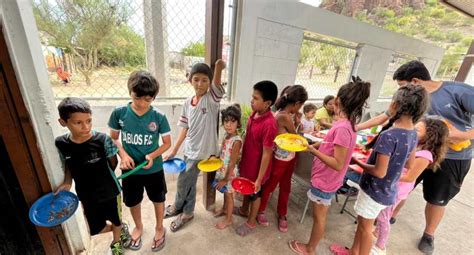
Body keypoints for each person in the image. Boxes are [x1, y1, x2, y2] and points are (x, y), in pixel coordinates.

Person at [358, 60, 474, 253]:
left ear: (415, 80)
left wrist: (458, 135)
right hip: (416, 150)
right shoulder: (410, 100)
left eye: (402, 86)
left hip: (453, 156)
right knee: (404, 185)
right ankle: (388, 216)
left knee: (437, 198)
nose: (401, 92)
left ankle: (429, 234)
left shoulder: (458, 91)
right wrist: (356, 128)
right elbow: (385, 116)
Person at [330, 84, 429, 255]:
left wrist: (356, 162)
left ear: (395, 106)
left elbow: (379, 172)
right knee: (363, 225)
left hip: (374, 190)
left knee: (365, 230)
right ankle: (353, 251)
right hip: (387, 191)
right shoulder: (412, 133)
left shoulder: (388, 135)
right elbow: (409, 165)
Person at [288, 76, 371, 254]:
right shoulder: (345, 124)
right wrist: (313, 146)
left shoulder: (342, 128)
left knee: (319, 217)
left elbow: (338, 163)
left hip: (326, 180)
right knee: (320, 215)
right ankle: (311, 246)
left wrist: (313, 151)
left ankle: (310, 248)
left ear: (339, 101)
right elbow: (329, 143)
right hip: (325, 178)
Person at [55, 97, 131, 255]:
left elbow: (112, 163)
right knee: (96, 228)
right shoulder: (61, 143)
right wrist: (68, 182)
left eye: (89, 121)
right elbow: (69, 165)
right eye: (78, 123)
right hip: (86, 194)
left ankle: (116, 243)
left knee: (115, 219)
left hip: (110, 191)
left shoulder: (102, 140)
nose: (86, 127)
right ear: (63, 122)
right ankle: (122, 228)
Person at [108, 71, 171, 252]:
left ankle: (160, 227)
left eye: (148, 100)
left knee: (158, 199)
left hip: (154, 169)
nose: (142, 104)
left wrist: (152, 156)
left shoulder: (159, 117)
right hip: (131, 170)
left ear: (153, 98)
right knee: (133, 201)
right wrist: (124, 155)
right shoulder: (119, 113)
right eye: (138, 98)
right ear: (130, 92)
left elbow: (167, 143)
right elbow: (113, 138)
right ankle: (139, 226)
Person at [163, 60, 226, 232]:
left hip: (202, 152)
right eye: (196, 79)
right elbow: (184, 128)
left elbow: (217, 85)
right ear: (190, 80)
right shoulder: (187, 102)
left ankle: (181, 208)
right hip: (189, 149)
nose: (200, 83)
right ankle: (185, 210)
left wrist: (218, 68)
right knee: (188, 181)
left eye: (205, 80)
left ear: (209, 82)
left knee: (184, 181)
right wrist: (174, 150)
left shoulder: (211, 99)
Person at [371, 117, 449, 255]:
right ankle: (377, 232)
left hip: (396, 189)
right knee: (382, 214)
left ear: (430, 135)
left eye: (417, 130)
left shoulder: (425, 155)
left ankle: (380, 246)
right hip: (392, 185)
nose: (413, 131)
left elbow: (409, 177)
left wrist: (387, 172)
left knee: (384, 217)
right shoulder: (415, 146)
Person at [257, 85, 308, 232]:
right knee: (271, 186)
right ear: (297, 103)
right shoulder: (284, 116)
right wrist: (298, 125)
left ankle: (282, 214)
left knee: (286, 186)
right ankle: (261, 211)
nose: (300, 109)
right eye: (301, 105)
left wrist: (296, 123)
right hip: (280, 158)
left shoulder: (281, 113)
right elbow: (297, 138)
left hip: (288, 157)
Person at [233, 80, 278, 237]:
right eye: (252, 97)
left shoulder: (270, 124)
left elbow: (267, 153)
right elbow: (249, 137)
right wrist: (240, 155)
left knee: (255, 194)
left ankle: (251, 222)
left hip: (258, 169)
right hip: (248, 163)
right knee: (246, 189)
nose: (251, 100)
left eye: (256, 98)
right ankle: (244, 210)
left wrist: (259, 179)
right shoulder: (254, 114)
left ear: (267, 103)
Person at [213, 104, 243, 230]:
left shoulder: (236, 141)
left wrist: (226, 179)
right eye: (226, 121)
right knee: (225, 193)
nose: (229, 125)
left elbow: (232, 162)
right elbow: (222, 153)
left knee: (229, 196)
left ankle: (229, 219)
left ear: (238, 123)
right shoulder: (226, 136)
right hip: (222, 169)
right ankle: (225, 209)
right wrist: (214, 159)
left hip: (229, 173)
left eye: (232, 121)